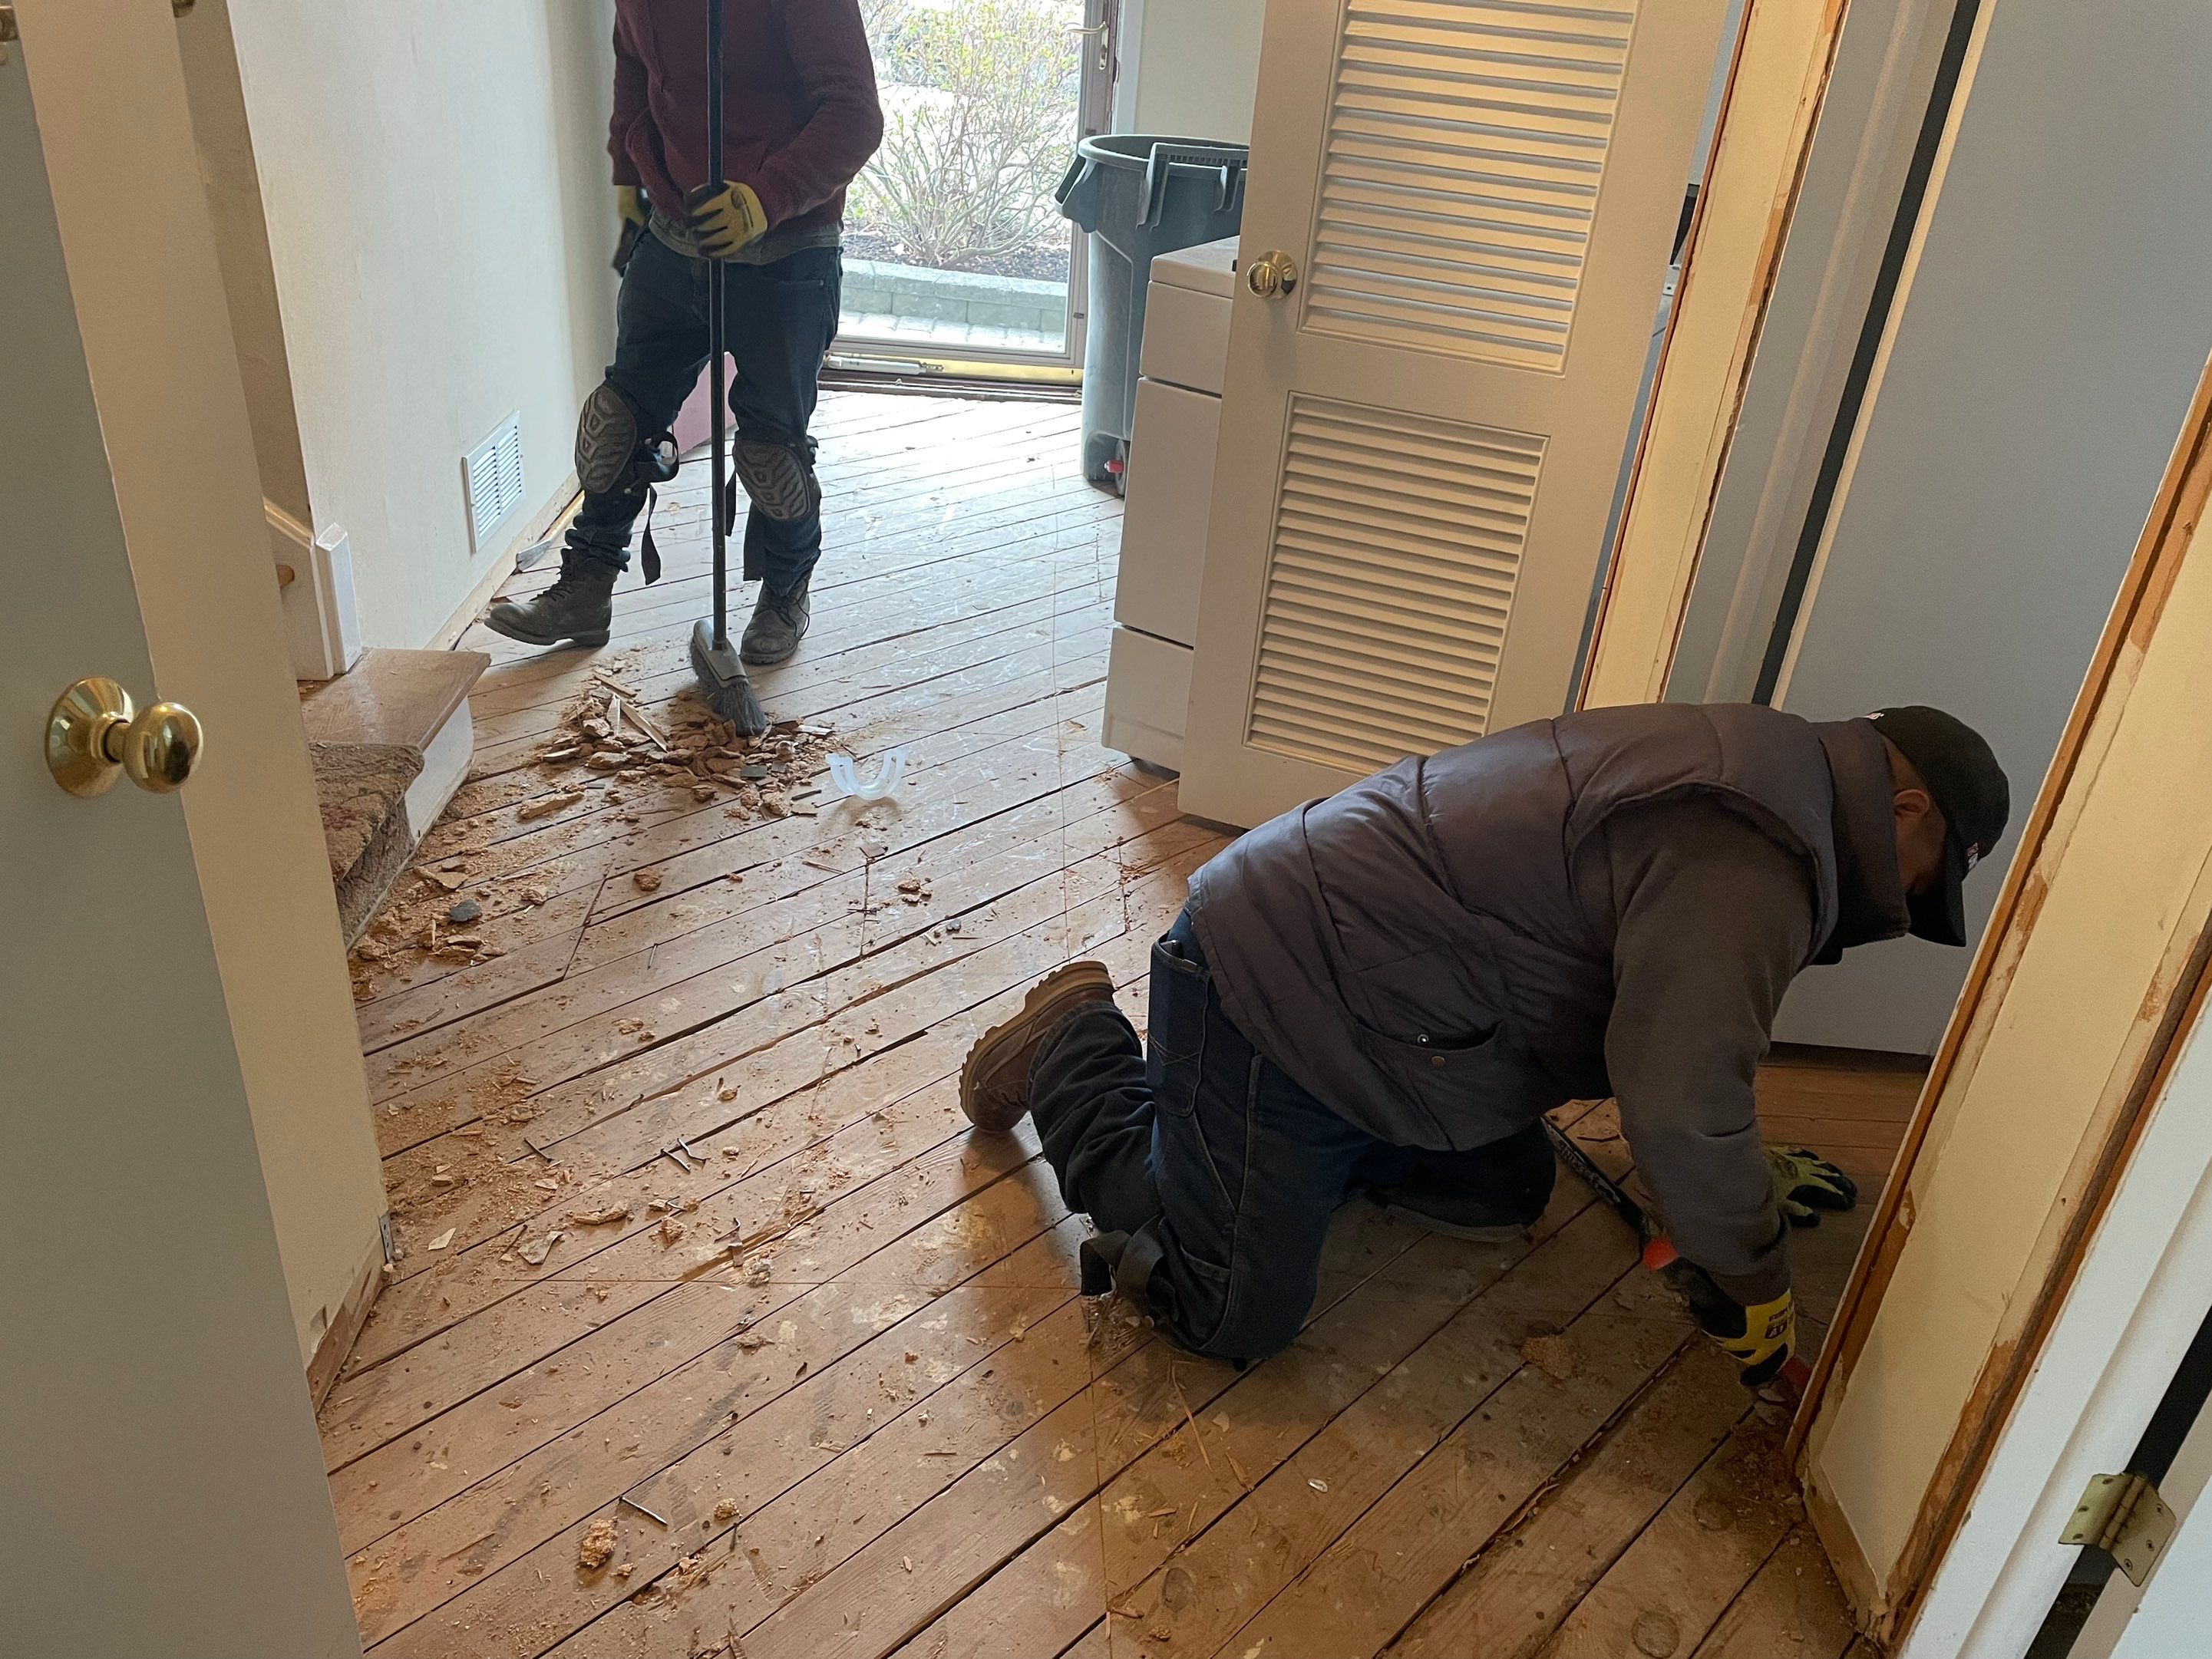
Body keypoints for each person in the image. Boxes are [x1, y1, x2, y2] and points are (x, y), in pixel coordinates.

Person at [959, 702, 2009, 1387]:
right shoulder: (1754, 858)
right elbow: (1680, 1095)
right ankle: (1075, 1047)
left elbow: (1683, 1050)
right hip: (1271, 983)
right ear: (1903, 806)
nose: (1914, 902)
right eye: (1931, 873)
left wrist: (1721, 1171)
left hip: (1384, 990)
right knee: (1228, 1310)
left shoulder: (1763, 765)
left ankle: (1264, 1160)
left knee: (1501, 1192)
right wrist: (1754, 1273)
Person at [487, 0, 883, 661]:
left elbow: (855, 115)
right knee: (617, 421)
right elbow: (635, 71)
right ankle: (588, 583)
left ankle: (785, 590)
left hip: (787, 251)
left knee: (771, 453)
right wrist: (627, 174)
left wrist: (765, 197)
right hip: (673, 235)